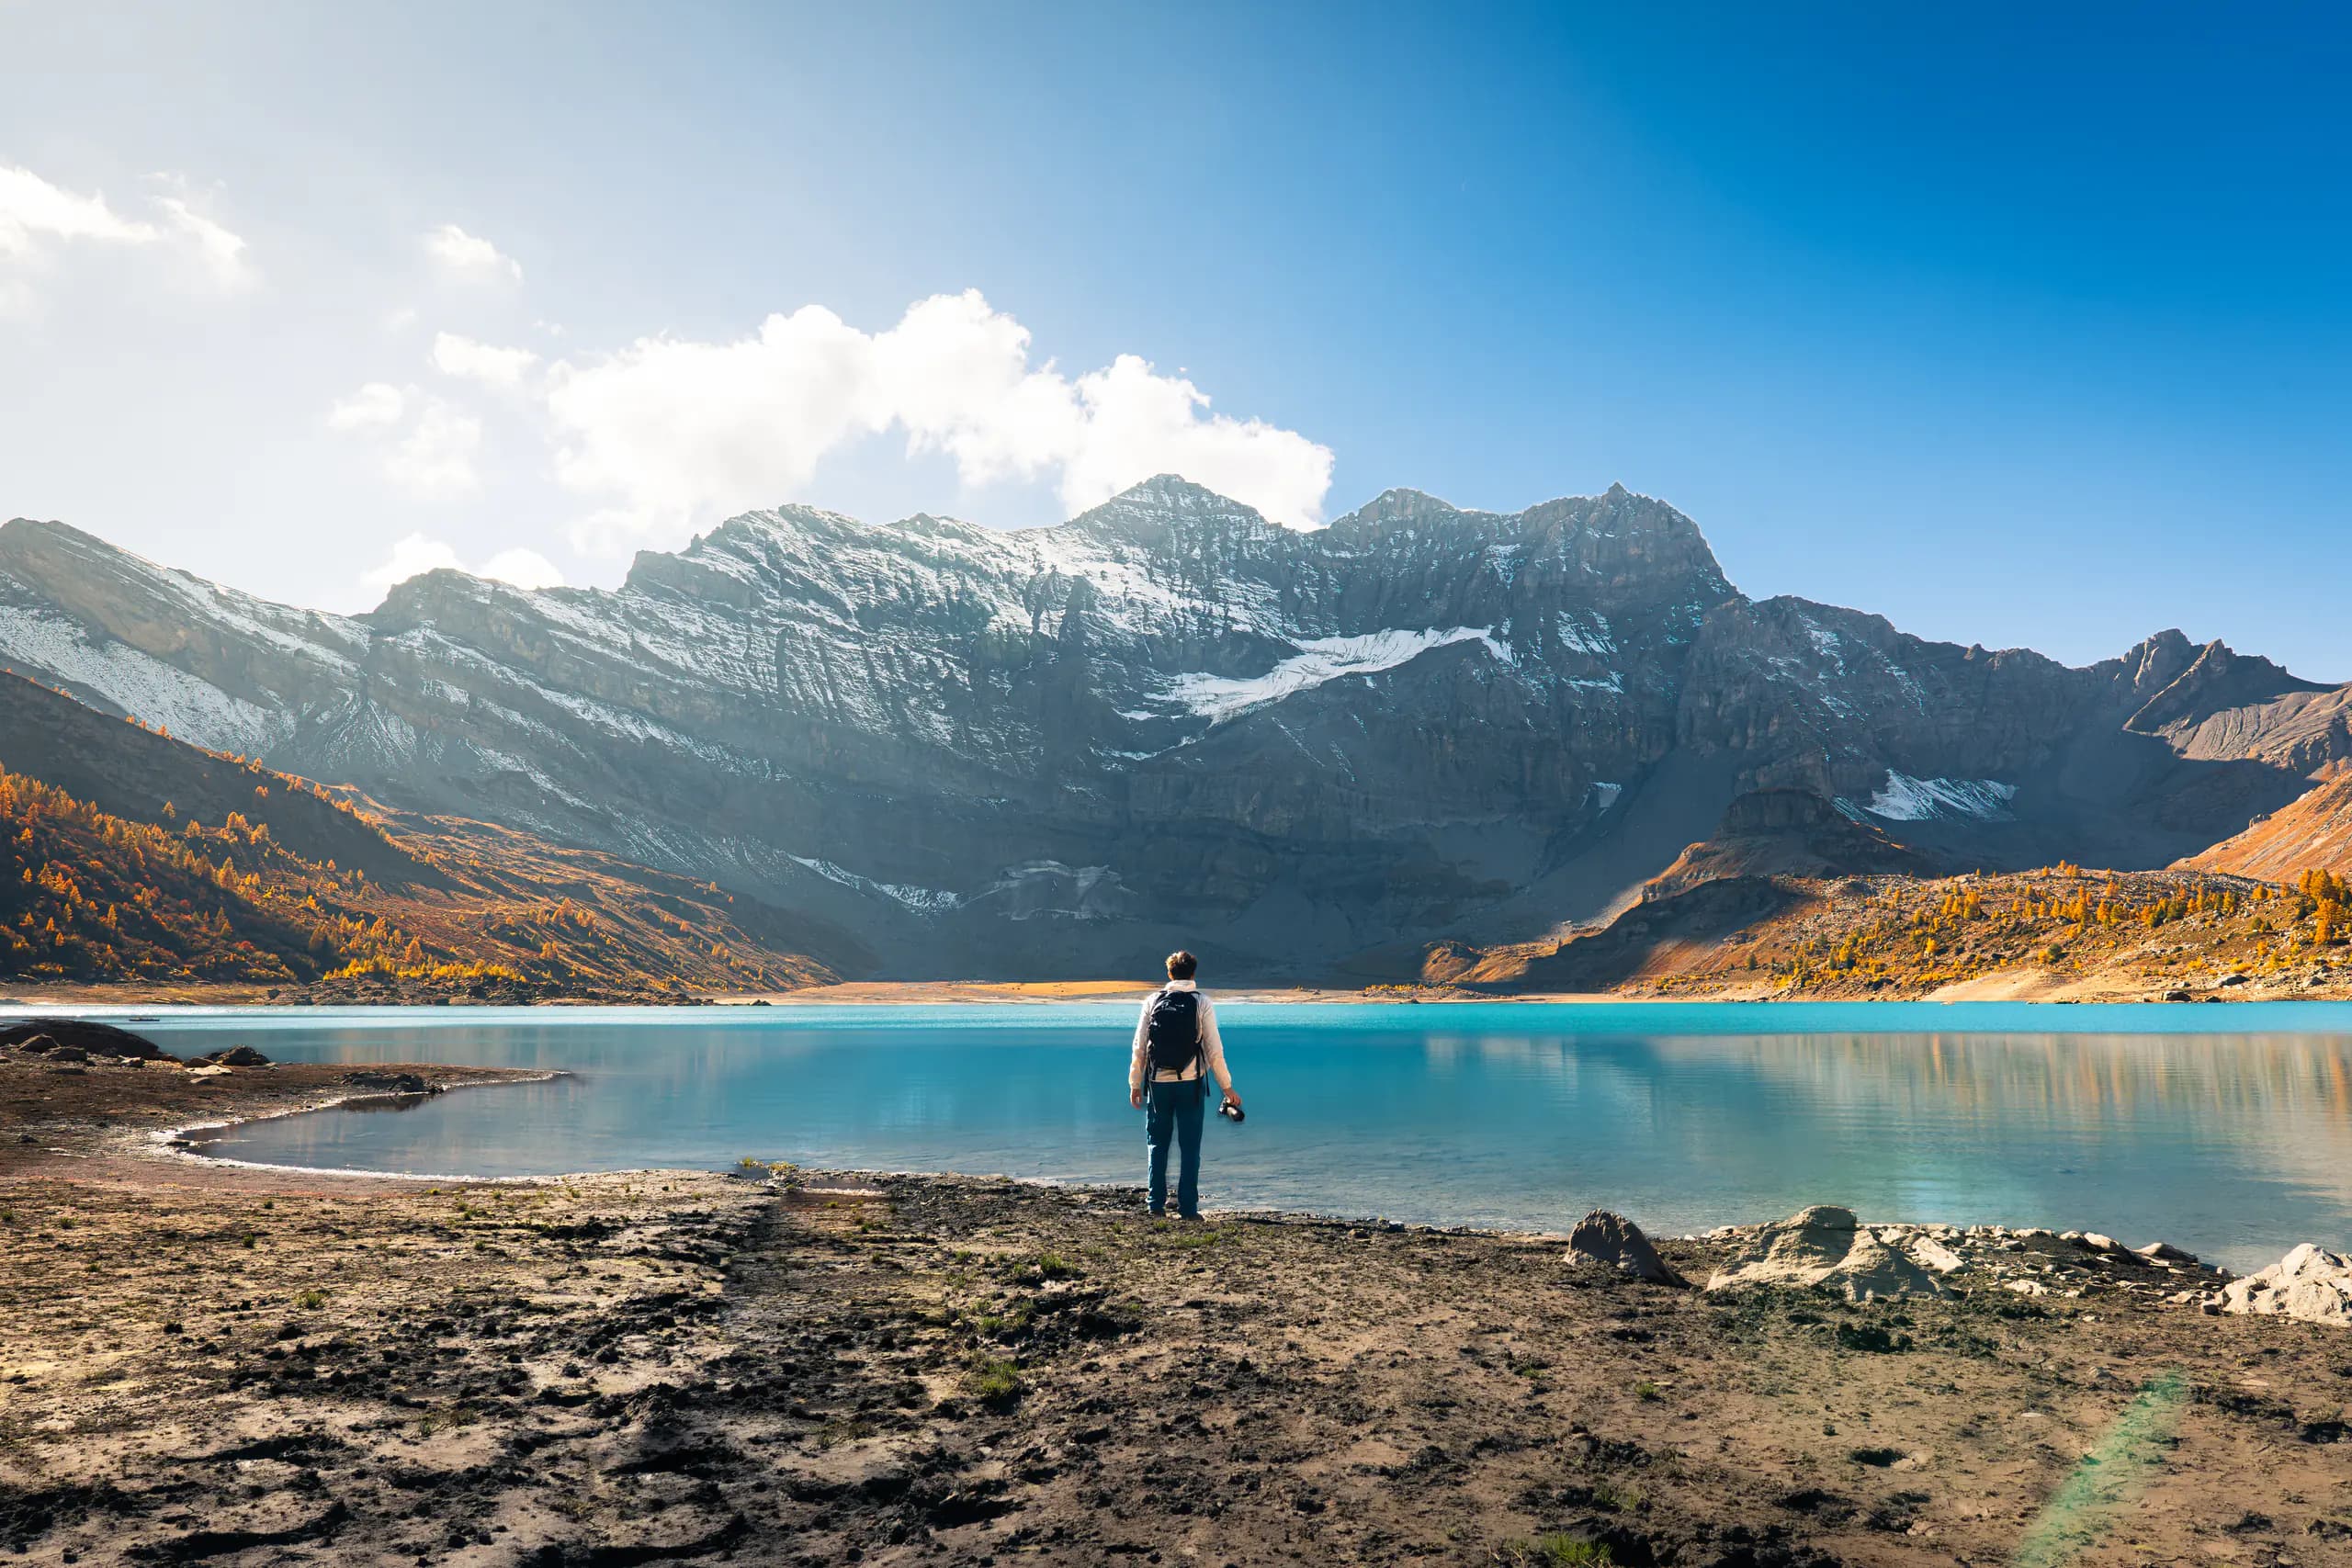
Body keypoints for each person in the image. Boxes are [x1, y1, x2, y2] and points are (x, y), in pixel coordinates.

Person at [1126, 949, 1241, 1220]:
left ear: (1169, 974)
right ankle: (1189, 1209)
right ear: (1193, 974)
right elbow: (1214, 1051)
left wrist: (1134, 1083)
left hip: (1157, 1084)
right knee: (1190, 1147)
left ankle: (1155, 1205)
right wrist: (1227, 1088)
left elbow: (1139, 1046)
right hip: (1190, 1085)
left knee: (1157, 1144)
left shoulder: (1152, 1001)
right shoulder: (1202, 1003)